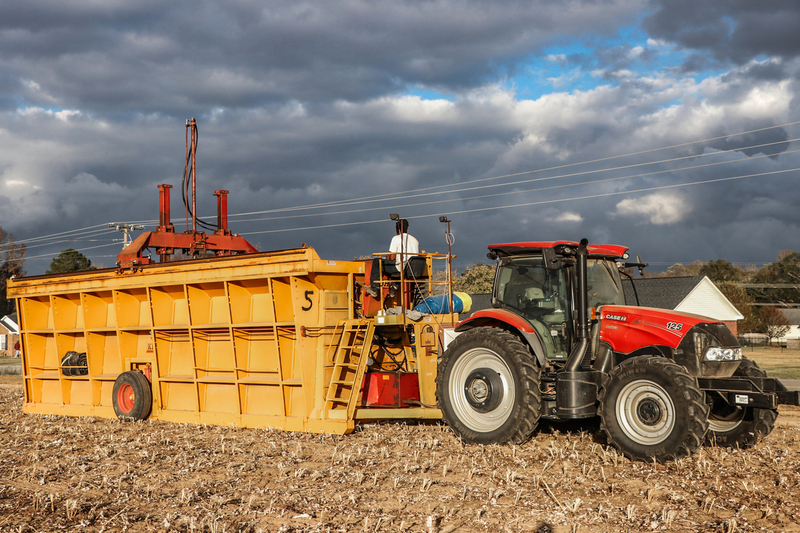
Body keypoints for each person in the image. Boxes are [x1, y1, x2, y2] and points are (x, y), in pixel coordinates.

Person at [367, 219, 419, 298]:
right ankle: (394, 288)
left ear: (397, 228)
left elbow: (392, 258)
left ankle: (374, 288)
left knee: (377, 262)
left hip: (401, 267)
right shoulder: (415, 240)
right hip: (412, 269)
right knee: (400, 267)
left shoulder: (396, 238)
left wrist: (388, 257)